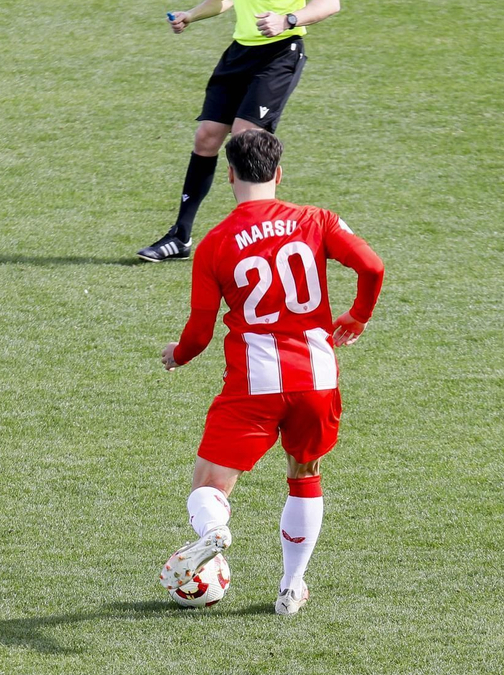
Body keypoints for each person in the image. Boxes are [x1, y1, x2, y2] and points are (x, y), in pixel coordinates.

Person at [157, 131, 382, 615]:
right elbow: (372, 266)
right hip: (316, 379)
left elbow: (199, 332)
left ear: (230, 175)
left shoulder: (216, 242)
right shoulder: (316, 220)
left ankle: (214, 529)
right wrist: (358, 315)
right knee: (305, 475)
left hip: (253, 384)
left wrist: (179, 354)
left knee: (208, 486)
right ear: (278, 174)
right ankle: (290, 587)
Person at [138, 0, 340, 262]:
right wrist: (191, 15)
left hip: (280, 54)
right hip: (240, 52)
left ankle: (259, 241)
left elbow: (330, 0)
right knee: (207, 138)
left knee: (246, 144)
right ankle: (180, 237)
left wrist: (289, 19)